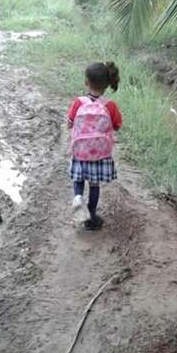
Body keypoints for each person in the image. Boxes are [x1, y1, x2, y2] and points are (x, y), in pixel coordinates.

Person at [67, 62, 122, 230]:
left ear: (86, 82)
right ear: (107, 84)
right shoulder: (110, 106)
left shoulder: (79, 102)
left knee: (79, 179)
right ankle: (91, 216)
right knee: (94, 185)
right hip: (99, 154)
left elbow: (70, 123)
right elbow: (117, 125)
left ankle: (77, 197)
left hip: (80, 152)